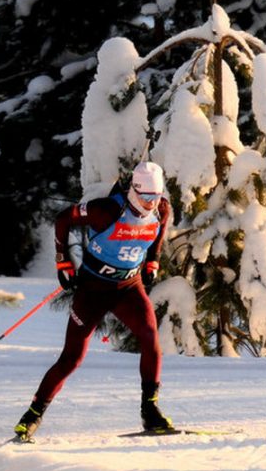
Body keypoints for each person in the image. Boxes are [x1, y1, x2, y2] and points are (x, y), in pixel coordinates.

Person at [13, 161, 174, 442]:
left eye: (156, 196)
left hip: (128, 288)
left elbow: (157, 234)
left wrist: (152, 263)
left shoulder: (161, 209)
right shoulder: (107, 210)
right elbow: (64, 219)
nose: (151, 204)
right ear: (134, 190)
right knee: (72, 357)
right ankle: (32, 416)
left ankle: (150, 411)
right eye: (146, 197)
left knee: (151, 340)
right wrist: (63, 261)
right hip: (93, 290)